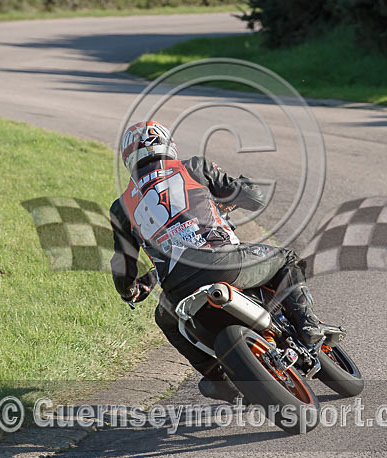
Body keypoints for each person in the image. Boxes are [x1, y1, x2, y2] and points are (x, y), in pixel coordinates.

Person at [109, 120, 332, 402]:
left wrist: (130, 289)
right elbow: (254, 198)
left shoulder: (120, 207)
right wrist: (240, 190)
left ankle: (218, 379)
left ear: (128, 157)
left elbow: (123, 264)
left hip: (177, 288)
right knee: (285, 259)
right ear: (168, 144)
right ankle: (307, 323)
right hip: (225, 262)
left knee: (164, 319)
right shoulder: (193, 167)